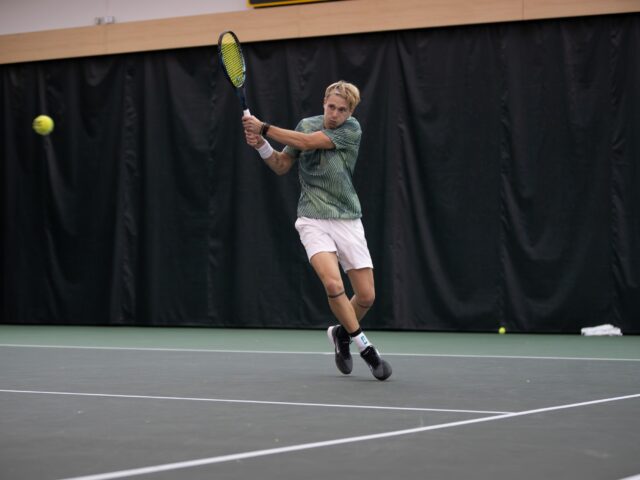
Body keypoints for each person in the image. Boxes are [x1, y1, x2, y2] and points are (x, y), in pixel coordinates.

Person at [242, 81, 391, 381]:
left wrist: (263, 128)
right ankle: (366, 349)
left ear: (351, 112)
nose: (335, 113)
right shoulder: (305, 124)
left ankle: (340, 333)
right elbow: (283, 164)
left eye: (342, 109)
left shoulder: (351, 130)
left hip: (347, 218)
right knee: (333, 285)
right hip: (311, 218)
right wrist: (262, 146)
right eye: (331, 106)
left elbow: (309, 142)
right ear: (324, 101)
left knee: (366, 296)